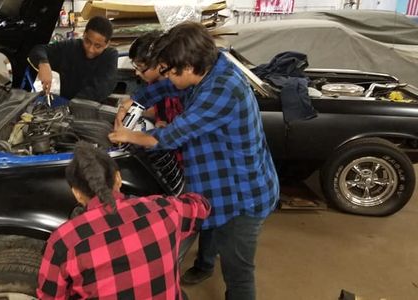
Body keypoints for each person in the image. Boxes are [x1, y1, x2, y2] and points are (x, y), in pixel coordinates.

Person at [109, 22, 279, 300]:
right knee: (201, 233)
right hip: (214, 183)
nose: (168, 79)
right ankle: (204, 264)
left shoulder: (223, 89)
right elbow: (165, 87)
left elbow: (171, 135)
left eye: (172, 72)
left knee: (238, 274)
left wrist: (126, 135)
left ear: (188, 67)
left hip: (241, 197)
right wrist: (134, 102)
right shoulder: (208, 67)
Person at [37, 141, 210, 299]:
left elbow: (49, 297)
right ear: (118, 178)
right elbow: (202, 206)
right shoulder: (165, 210)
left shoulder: (63, 242)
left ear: (77, 193)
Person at [28, 16, 118, 103]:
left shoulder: (110, 56)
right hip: (64, 103)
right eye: (87, 41)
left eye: (97, 46)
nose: (91, 49)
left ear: (107, 44)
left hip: (92, 108)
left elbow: (103, 87)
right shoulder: (71, 47)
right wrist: (43, 64)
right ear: (84, 34)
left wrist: (74, 104)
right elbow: (38, 50)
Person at [128, 31, 184, 165]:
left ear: (159, 63)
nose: (137, 72)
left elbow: (180, 131)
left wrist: (129, 136)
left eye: (141, 67)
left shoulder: (179, 87)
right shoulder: (153, 83)